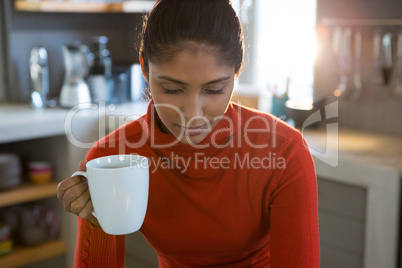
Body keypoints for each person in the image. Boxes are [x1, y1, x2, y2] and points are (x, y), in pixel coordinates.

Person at [57, 0, 320, 267]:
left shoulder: (284, 153)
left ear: (237, 71)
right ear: (145, 71)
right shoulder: (113, 159)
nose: (192, 114)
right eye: (172, 89)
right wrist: (98, 221)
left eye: (214, 90)